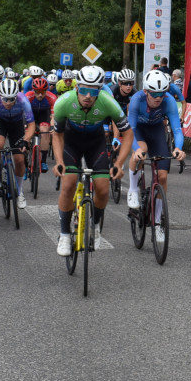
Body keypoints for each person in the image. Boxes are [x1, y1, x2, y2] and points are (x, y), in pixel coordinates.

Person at [52, 66, 133, 255]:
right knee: (68, 183)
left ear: (100, 90)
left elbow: (128, 134)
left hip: (95, 143)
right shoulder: (63, 103)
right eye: (84, 90)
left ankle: (95, 226)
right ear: (76, 88)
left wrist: (119, 164)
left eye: (93, 91)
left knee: (103, 188)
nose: (88, 96)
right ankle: (64, 234)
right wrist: (58, 161)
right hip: (71, 143)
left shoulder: (108, 102)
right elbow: (57, 135)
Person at [126, 70, 186, 244]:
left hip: (156, 131)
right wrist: (136, 149)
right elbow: (130, 130)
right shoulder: (137, 100)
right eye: (154, 93)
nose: (158, 97)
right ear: (146, 91)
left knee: (162, 176)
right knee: (140, 152)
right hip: (139, 131)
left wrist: (178, 148)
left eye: (162, 93)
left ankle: (158, 221)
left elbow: (176, 130)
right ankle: (132, 190)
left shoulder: (169, 102)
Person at [0, 78, 35, 208]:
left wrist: (26, 140)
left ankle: (20, 192)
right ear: (0, 95)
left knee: (19, 159)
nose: (8, 102)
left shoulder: (23, 101)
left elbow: (31, 124)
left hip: (17, 125)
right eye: (5, 99)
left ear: (16, 96)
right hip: (0, 122)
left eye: (11, 99)